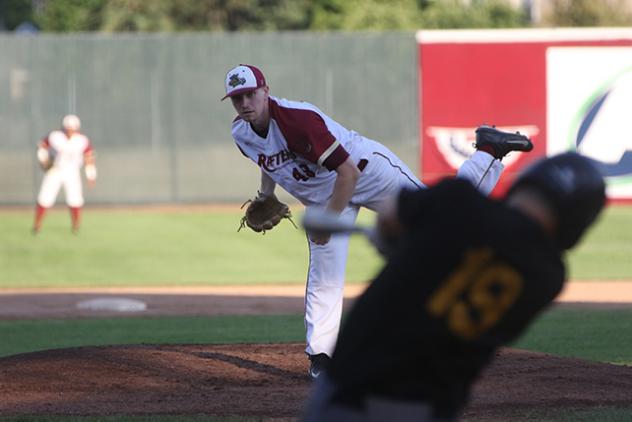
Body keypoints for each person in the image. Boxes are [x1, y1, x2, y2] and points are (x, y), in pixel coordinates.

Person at [222, 64, 533, 379]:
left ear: (265, 91)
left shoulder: (297, 120)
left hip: (366, 172)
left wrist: (328, 221)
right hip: (324, 198)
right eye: (237, 98)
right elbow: (266, 159)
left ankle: (490, 151)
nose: (245, 103)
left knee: (438, 219)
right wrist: (265, 195)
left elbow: (348, 173)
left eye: (250, 94)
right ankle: (322, 357)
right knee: (324, 275)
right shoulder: (241, 133)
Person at [301, 152, 607, 422]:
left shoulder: (459, 200)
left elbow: (392, 216)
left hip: (355, 388)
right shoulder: (549, 277)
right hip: (432, 406)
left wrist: (391, 239)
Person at [32, 114, 97, 234]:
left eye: (72, 129)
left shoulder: (82, 140)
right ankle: (37, 225)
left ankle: (76, 226)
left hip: (72, 172)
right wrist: (43, 159)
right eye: (68, 128)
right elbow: (41, 146)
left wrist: (91, 175)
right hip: (55, 170)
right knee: (45, 198)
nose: (70, 131)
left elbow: (89, 158)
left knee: (75, 199)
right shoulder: (55, 136)